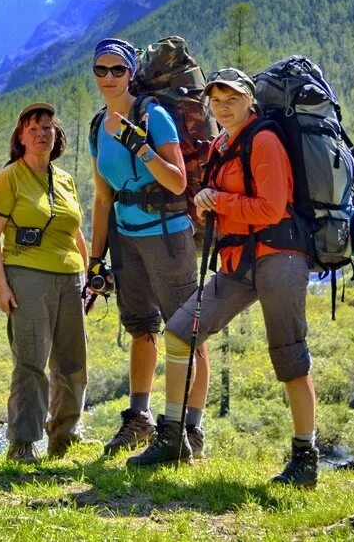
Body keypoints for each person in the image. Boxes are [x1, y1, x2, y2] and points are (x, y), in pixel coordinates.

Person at [130, 68, 318, 487]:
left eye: (232, 97)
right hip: (239, 261)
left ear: (249, 99)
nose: (223, 105)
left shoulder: (264, 140)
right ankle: (174, 436)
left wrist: (221, 201)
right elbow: (220, 206)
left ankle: (306, 457)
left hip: (279, 257)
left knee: (289, 355)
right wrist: (204, 202)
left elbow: (270, 209)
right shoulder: (220, 145)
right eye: (216, 99)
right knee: (180, 332)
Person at [87, 38, 210, 457]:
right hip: (126, 239)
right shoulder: (96, 126)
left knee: (186, 331)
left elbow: (176, 180)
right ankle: (139, 419)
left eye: (116, 70)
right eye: (100, 70)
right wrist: (94, 258)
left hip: (167, 233)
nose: (108, 78)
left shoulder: (153, 115)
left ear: (129, 73)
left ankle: (190, 429)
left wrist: (139, 144)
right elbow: (104, 198)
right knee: (142, 328)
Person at [0, 103, 88, 463]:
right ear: (21, 137)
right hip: (27, 275)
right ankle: (23, 443)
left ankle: (65, 435)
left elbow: (75, 232)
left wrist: (86, 275)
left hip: (70, 277)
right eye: (33, 128)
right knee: (31, 361)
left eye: (47, 127)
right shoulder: (10, 177)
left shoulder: (65, 179)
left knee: (73, 363)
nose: (41, 133)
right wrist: (1, 285)